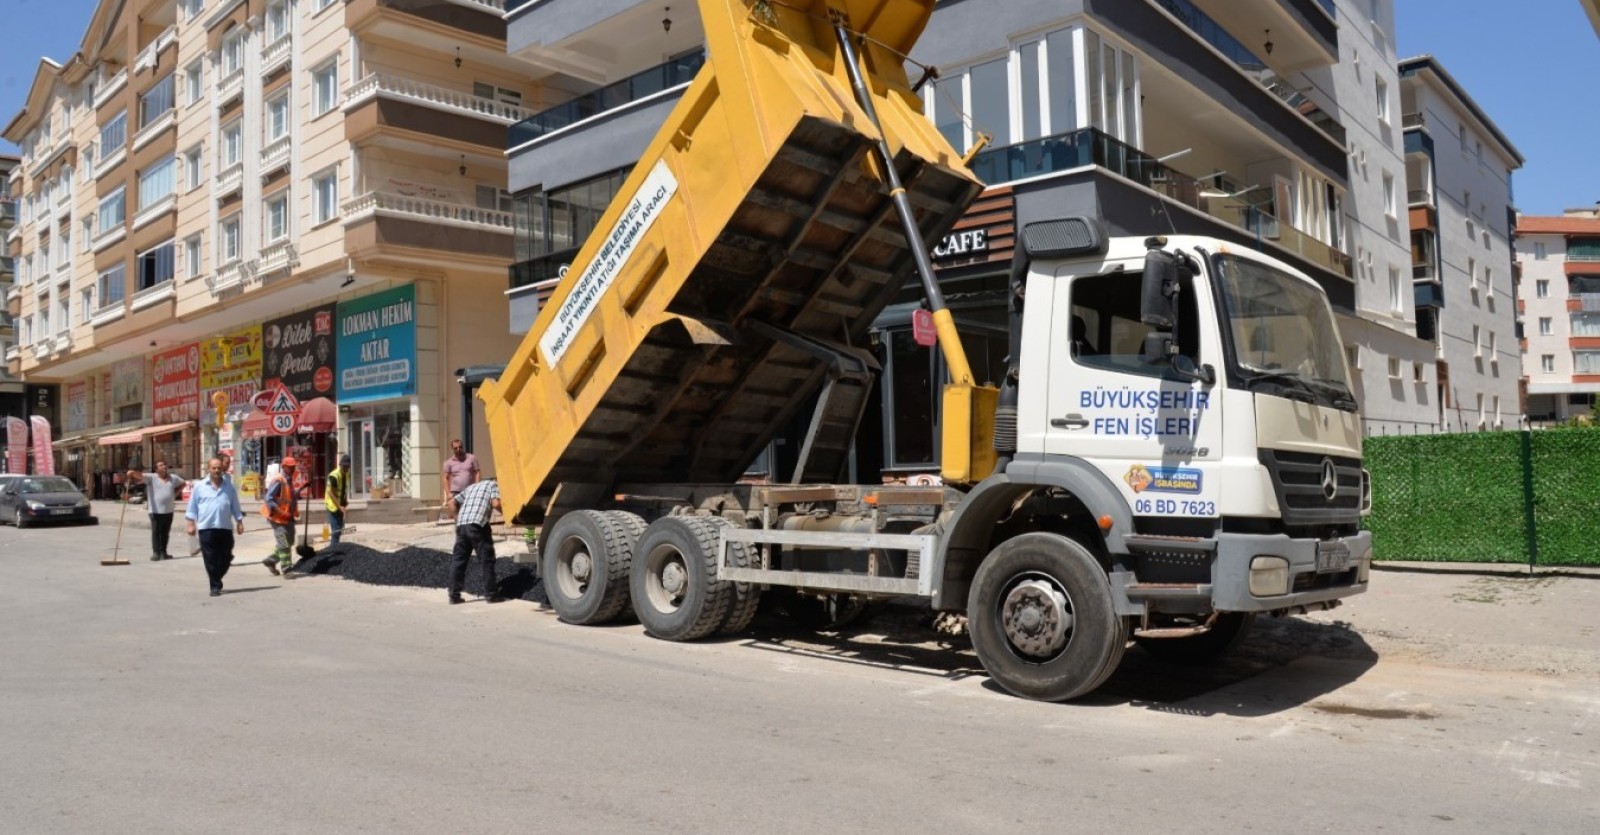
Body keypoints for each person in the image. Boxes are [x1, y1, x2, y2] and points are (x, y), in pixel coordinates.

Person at [184, 457, 246, 597]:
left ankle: (216, 577)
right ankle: (215, 585)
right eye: (214, 468)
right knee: (210, 557)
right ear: (209, 469)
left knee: (226, 556)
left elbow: (235, 505)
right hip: (206, 527)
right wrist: (190, 523)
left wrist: (239, 521)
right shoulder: (200, 486)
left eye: (219, 468)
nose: (217, 470)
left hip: (225, 526)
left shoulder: (229, 486)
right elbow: (192, 506)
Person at [447, 477, 503, 605]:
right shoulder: (493, 485)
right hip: (477, 525)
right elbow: (496, 504)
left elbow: (451, 502)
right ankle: (491, 594)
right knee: (486, 559)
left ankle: (454, 596)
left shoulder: (471, 487)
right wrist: (509, 515)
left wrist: (457, 519)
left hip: (462, 525)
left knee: (458, 561)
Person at [128, 461, 187, 561]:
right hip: (155, 511)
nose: (164, 466)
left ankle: (164, 552)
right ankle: (156, 553)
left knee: (165, 532)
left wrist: (175, 493)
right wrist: (132, 473)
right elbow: (140, 475)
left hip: (168, 510)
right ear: (156, 469)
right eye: (161, 465)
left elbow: (183, 483)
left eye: (165, 464)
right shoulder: (152, 477)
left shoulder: (173, 478)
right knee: (156, 532)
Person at [261, 456, 301, 577]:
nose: (293, 469)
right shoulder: (279, 480)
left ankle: (271, 560)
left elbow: (288, 497)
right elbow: (268, 498)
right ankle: (287, 569)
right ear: (284, 467)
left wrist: (300, 490)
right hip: (277, 517)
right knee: (284, 543)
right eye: (290, 467)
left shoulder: (289, 480)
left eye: (293, 467)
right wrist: (281, 512)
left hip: (288, 517)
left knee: (290, 541)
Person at [440, 438, 481, 520]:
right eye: (456, 448)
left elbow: (477, 472)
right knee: (456, 513)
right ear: (452, 449)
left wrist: (477, 486)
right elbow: (445, 478)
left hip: (470, 491)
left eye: (460, 447)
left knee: (470, 513)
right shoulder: (449, 462)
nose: (458, 449)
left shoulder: (471, 458)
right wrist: (448, 494)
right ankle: (459, 526)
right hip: (455, 492)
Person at [325, 453, 351, 549]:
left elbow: (344, 489)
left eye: (347, 466)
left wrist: (344, 504)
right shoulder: (334, 476)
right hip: (332, 505)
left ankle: (335, 548)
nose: (346, 468)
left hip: (339, 504)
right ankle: (333, 550)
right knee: (336, 531)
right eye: (344, 466)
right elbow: (331, 493)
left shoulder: (347, 474)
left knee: (339, 530)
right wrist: (340, 506)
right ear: (340, 465)